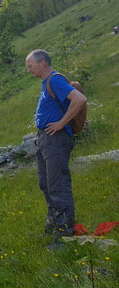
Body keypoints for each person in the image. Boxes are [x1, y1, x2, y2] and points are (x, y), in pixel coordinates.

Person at [25, 49, 87, 248]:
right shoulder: (47, 83)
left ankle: (64, 236)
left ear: (42, 63)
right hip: (45, 139)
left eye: (30, 66)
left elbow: (79, 99)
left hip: (56, 139)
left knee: (58, 186)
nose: (29, 70)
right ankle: (53, 223)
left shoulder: (54, 80)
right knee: (46, 183)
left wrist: (61, 123)